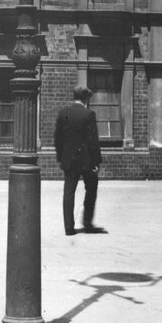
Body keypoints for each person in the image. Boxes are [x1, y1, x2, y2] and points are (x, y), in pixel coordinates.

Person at [54, 86, 103, 235]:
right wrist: (96, 161)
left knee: (69, 191)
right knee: (91, 189)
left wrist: (61, 157)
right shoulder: (89, 114)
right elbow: (93, 140)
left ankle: (69, 227)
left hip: (69, 160)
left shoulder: (63, 114)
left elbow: (58, 139)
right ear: (86, 99)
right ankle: (87, 223)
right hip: (86, 160)